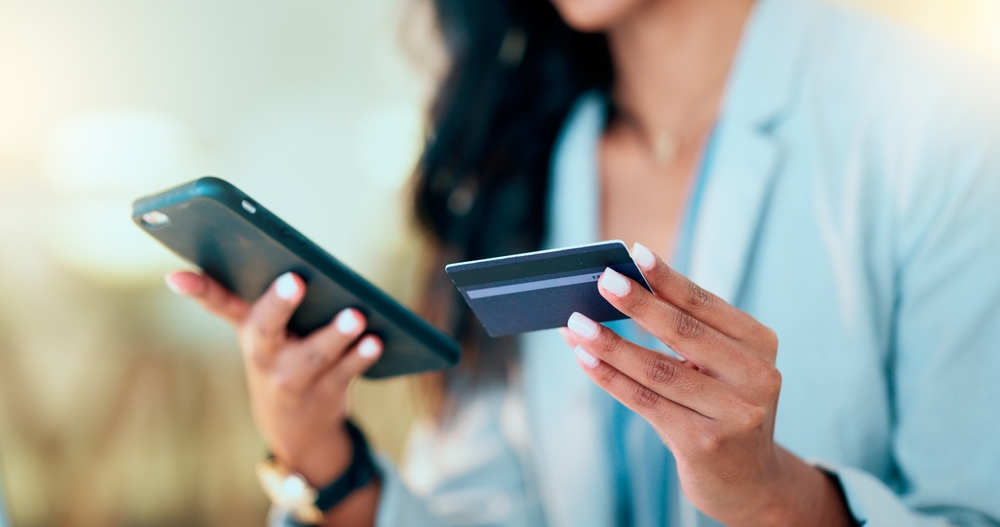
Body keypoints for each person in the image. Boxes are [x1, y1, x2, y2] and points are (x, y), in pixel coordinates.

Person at [166, 0, 1000, 524]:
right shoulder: (522, 156)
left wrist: (772, 497)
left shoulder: (940, 122)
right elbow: (480, 508)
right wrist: (319, 453)